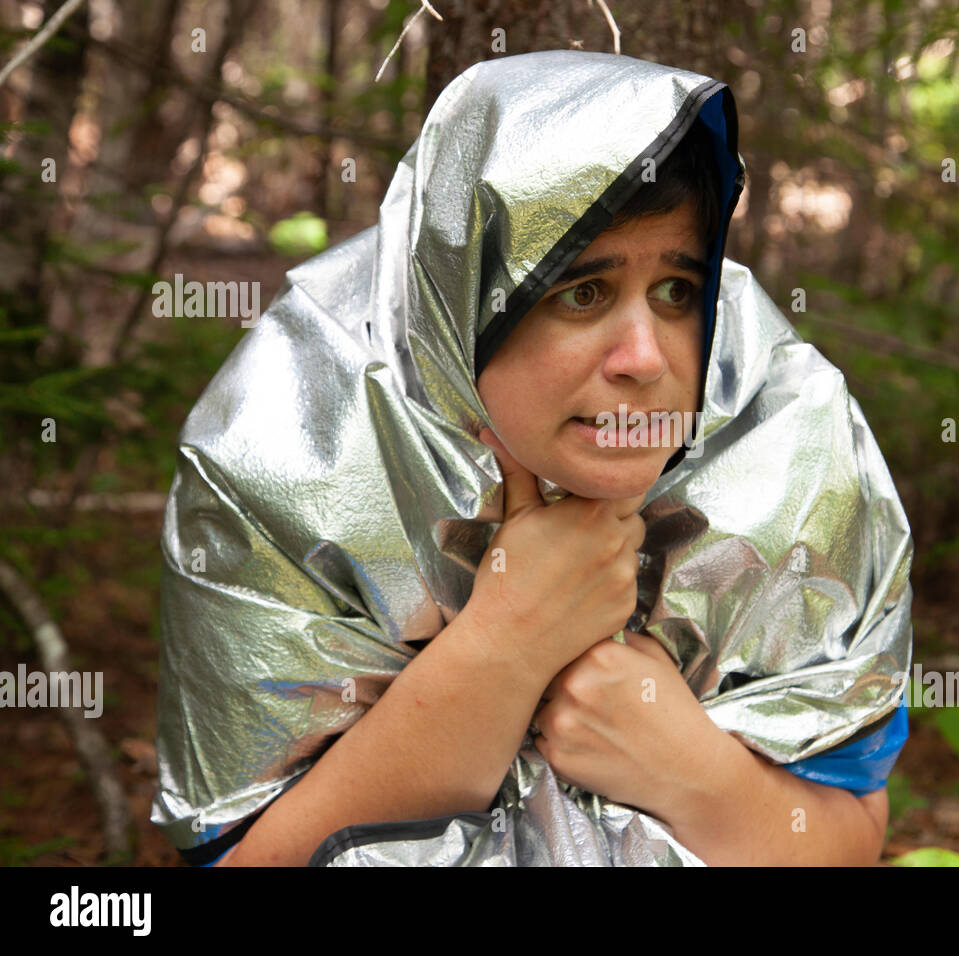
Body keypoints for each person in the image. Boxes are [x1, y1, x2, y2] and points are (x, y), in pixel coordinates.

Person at [152, 49, 913, 867]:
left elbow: (848, 839)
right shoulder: (292, 453)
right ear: (461, 301)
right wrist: (504, 649)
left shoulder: (781, 442)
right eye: (582, 292)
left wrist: (694, 773)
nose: (645, 358)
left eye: (678, 291)